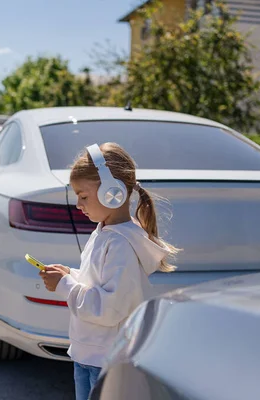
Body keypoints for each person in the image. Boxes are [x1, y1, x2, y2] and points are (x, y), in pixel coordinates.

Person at [39, 142, 178, 400]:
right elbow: (97, 281)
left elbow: (109, 307)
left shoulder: (120, 244)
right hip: (89, 353)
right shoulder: (104, 231)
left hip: (103, 362)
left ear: (111, 192)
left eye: (83, 196)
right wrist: (70, 274)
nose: (78, 204)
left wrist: (65, 285)